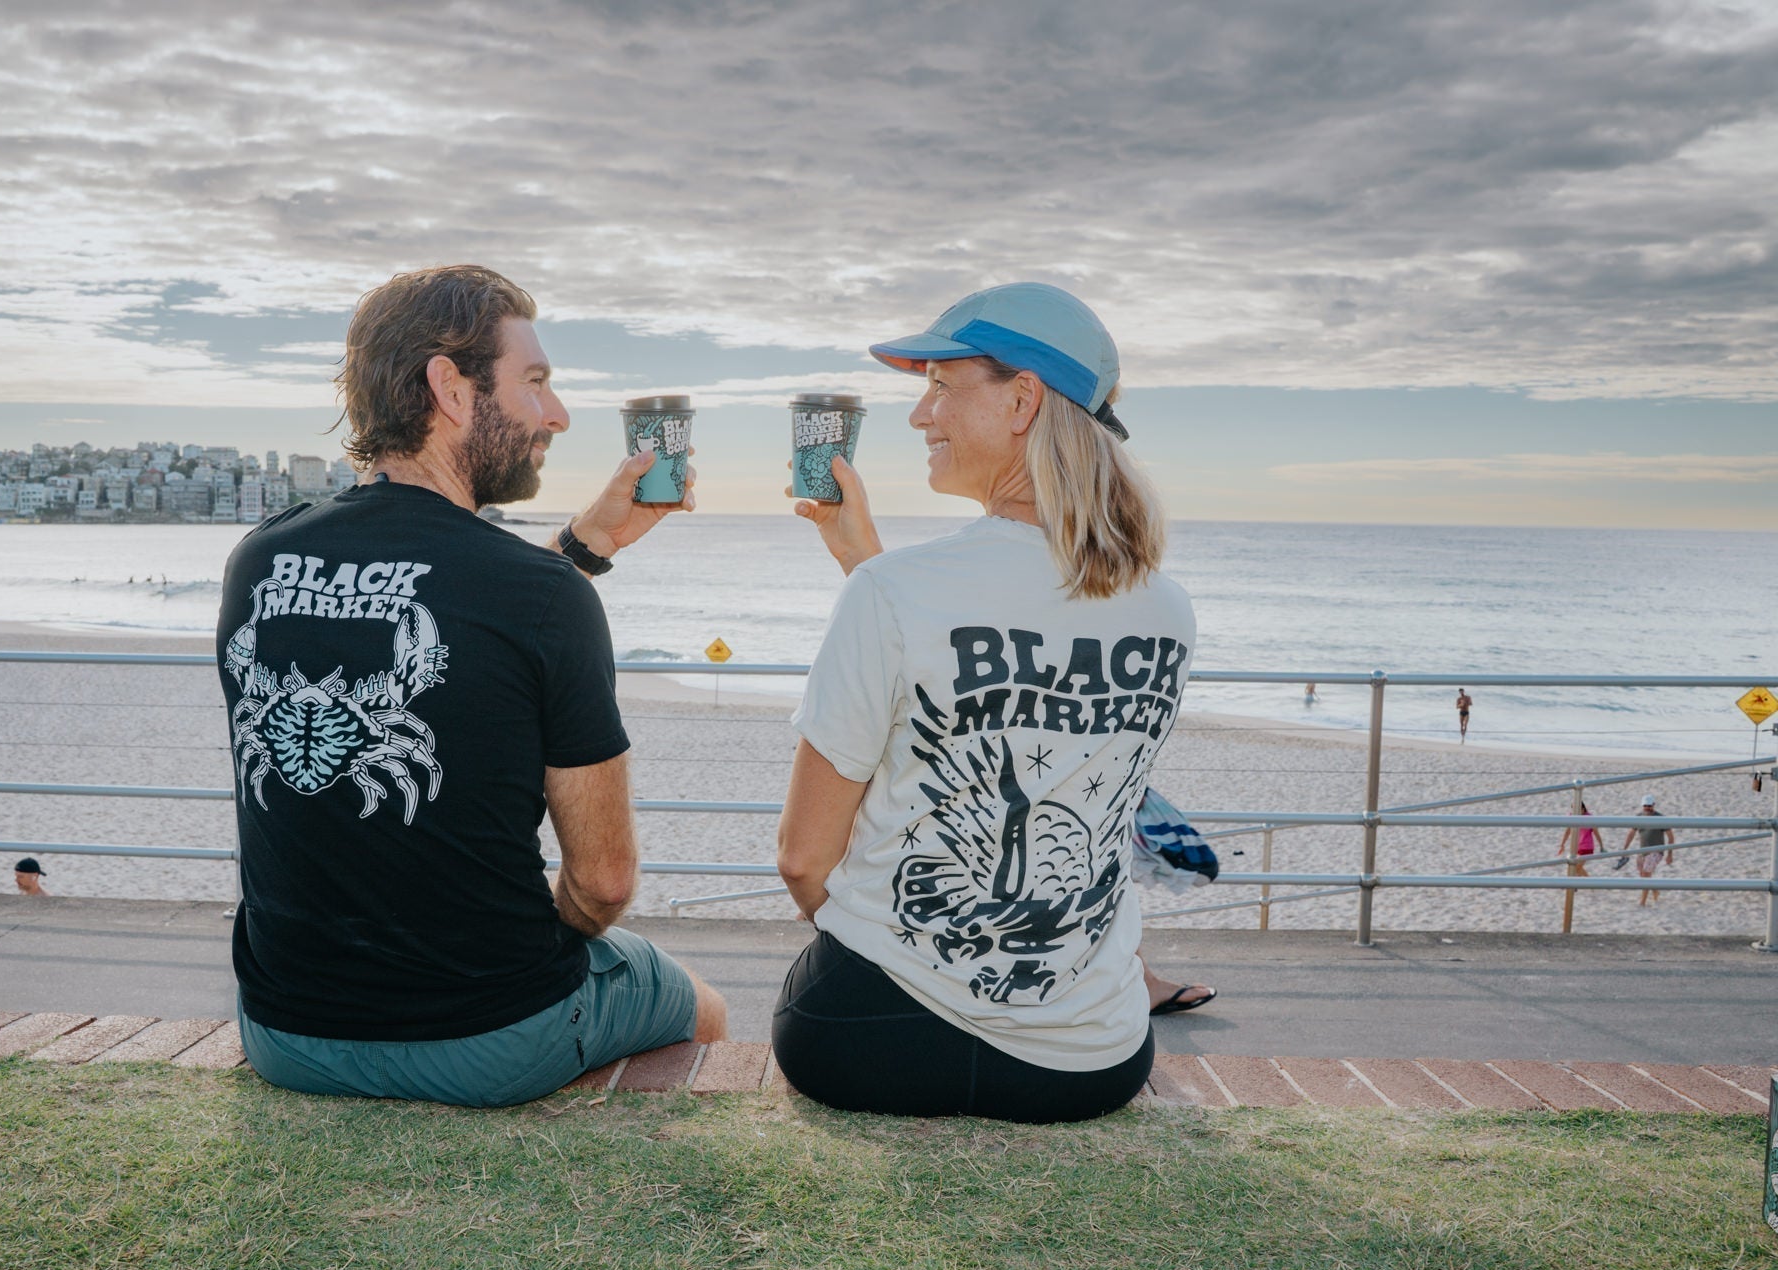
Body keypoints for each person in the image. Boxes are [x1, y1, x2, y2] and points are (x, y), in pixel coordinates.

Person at [218, 264, 726, 1108]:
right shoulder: (539, 593)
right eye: (535, 383)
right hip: (490, 1039)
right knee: (700, 1003)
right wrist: (523, 936)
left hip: (283, 1031)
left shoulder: (257, 559)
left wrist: (584, 545)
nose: (556, 415)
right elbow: (603, 882)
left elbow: (458, 617)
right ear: (450, 389)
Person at [771, 282, 1197, 1122]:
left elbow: (802, 859)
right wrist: (862, 558)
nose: (919, 415)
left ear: (1023, 399)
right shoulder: (1167, 607)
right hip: (1090, 1060)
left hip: (866, 1042)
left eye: (939, 385)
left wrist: (901, 955)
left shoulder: (896, 593)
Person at [1620, 794, 1675, 907]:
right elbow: (1631, 833)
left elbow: (1671, 837)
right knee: (1643, 875)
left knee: (1646, 874)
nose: (1648, 808)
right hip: (1643, 851)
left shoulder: (1661, 818)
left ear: (1653, 805)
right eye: (1645, 806)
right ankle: (1655, 891)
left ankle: (1642, 902)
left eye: (1650, 805)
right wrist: (1625, 848)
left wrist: (1669, 854)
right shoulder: (1639, 817)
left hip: (1656, 851)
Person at [1555, 801, 1603, 875]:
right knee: (1572, 867)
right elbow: (1568, 831)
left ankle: (1589, 884)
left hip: (1587, 847)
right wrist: (1562, 844)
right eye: (1573, 809)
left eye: (1576, 809)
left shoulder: (1589, 817)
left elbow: (1596, 833)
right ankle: (1578, 884)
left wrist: (1601, 846)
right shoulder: (1572, 817)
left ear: (1582, 809)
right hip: (1576, 847)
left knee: (1577, 868)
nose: (1574, 811)